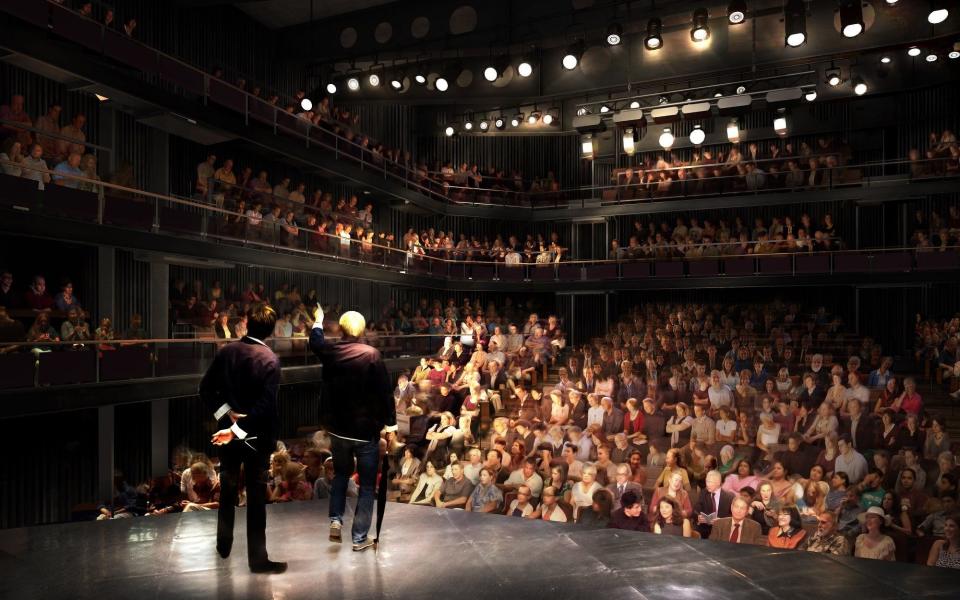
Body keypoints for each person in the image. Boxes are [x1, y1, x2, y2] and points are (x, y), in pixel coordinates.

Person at [199, 303, 286, 573]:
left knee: (227, 490)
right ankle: (257, 560)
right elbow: (265, 407)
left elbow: (205, 389)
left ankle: (223, 546)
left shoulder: (227, 352)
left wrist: (228, 418)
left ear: (246, 324)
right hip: (256, 438)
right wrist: (237, 428)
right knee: (256, 497)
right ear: (271, 330)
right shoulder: (270, 359)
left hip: (230, 437)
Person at [308, 304, 396, 552]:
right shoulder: (372, 355)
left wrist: (318, 320)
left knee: (341, 475)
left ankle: (335, 520)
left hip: (338, 430)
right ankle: (359, 538)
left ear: (342, 329)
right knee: (367, 485)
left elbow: (315, 343)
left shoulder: (331, 351)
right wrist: (390, 425)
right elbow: (385, 394)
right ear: (363, 330)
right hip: (365, 432)